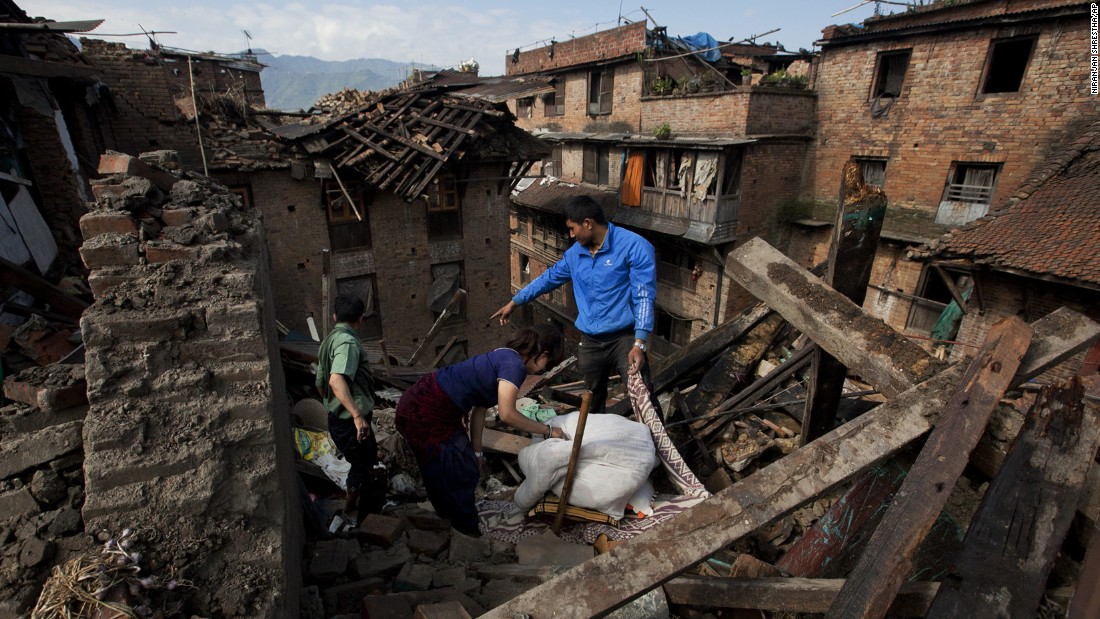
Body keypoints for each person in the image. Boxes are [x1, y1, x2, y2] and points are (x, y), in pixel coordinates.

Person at [491, 195, 657, 416]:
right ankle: (596, 445)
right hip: (589, 341)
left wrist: (640, 343)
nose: (571, 235)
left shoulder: (634, 246)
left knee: (642, 396)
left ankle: (659, 447)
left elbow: (643, 295)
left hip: (624, 339)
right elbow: (548, 279)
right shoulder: (574, 255)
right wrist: (516, 301)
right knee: (592, 401)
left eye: (572, 228)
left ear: (587, 223)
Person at [395, 324, 567, 536]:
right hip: (425, 411)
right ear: (543, 354)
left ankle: (448, 521)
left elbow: (479, 409)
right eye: (548, 365)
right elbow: (507, 414)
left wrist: (477, 452)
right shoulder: (515, 366)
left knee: (455, 464)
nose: (543, 371)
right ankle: (465, 531)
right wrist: (548, 430)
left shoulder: (504, 356)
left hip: (428, 405)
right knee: (456, 469)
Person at [316, 294, 384, 518]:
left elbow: (321, 383)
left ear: (335, 317)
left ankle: (353, 507)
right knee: (364, 466)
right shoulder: (347, 343)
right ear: (361, 319)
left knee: (363, 461)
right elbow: (335, 380)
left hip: (337, 419)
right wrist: (356, 415)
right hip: (349, 422)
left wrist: (332, 404)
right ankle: (357, 513)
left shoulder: (328, 341)